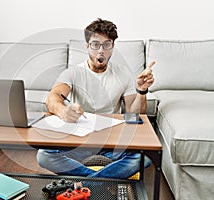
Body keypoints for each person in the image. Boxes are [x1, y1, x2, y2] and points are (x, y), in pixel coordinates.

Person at [36, 18, 155, 179]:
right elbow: (53, 97)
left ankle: (89, 182)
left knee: (144, 158)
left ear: (112, 47)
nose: (101, 51)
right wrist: (64, 111)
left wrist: (141, 91)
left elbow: (134, 113)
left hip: (111, 144)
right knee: (44, 155)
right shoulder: (74, 72)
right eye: (95, 44)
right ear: (87, 46)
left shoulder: (123, 74)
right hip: (79, 143)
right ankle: (101, 181)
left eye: (107, 44)